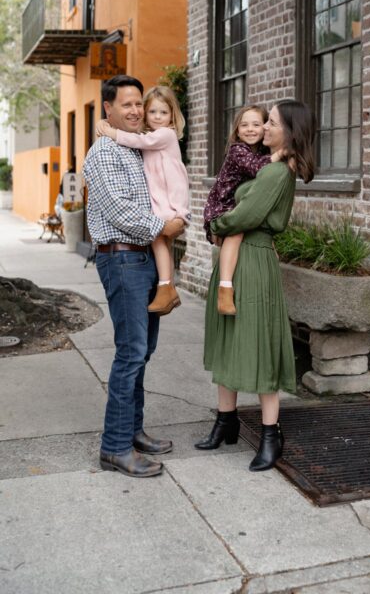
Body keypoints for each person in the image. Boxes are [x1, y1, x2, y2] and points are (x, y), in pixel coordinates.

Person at [195, 100, 316, 471]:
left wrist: (216, 226)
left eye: (272, 123)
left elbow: (246, 215)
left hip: (255, 259)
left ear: (289, 132)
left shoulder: (277, 173)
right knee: (229, 338)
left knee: (259, 343)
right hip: (238, 258)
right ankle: (226, 422)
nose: (263, 128)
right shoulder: (267, 167)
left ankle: (270, 434)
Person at [84, 75, 187, 478]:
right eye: (124, 104)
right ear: (107, 108)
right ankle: (114, 447)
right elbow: (118, 211)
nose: (133, 110)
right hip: (122, 259)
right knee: (130, 352)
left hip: (144, 258)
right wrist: (167, 227)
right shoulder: (104, 151)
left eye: (137, 104)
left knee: (143, 352)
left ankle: (133, 431)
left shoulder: (136, 145)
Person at [96, 85, 190, 315]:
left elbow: (140, 142)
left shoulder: (164, 135)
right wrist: (103, 123)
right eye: (153, 112)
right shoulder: (148, 136)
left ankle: (166, 287)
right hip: (161, 198)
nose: (158, 117)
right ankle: (168, 288)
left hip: (168, 198)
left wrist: (111, 132)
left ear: (172, 116)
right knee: (162, 243)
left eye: (164, 113)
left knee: (158, 238)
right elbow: (138, 139)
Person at [202, 105, 279, 316]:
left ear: (265, 127)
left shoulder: (262, 152)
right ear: (237, 130)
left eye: (256, 124)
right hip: (222, 206)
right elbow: (255, 167)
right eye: (244, 125)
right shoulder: (238, 150)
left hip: (239, 206)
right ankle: (225, 288)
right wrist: (281, 155)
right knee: (236, 231)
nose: (250, 129)